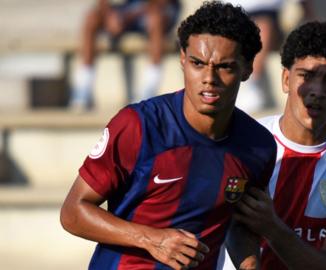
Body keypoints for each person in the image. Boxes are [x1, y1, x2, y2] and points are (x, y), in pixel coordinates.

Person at [60, 2, 277, 269]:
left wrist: (250, 265)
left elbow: (239, 224)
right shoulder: (138, 125)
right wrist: (151, 239)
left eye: (225, 67)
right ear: (183, 59)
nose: (209, 78)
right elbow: (73, 212)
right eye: (197, 63)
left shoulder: (258, 146)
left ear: (247, 69)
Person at [224, 21, 326, 269]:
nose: (317, 91)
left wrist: (271, 227)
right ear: (285, 79)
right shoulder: (241, 141)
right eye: (306, 75)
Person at [70, 0, 181, 111]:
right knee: (91, 18)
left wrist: (126, 17)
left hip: (160, 8)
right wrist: (108, 15)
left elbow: (161, 3)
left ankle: (149, 89)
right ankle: (83, 88)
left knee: (155, 19)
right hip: (130, 9)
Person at [225, 0, 316, 114]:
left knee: (264, 25)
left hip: (267, 14)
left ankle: (251, 83)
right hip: (236, 10)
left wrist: (307, 11)